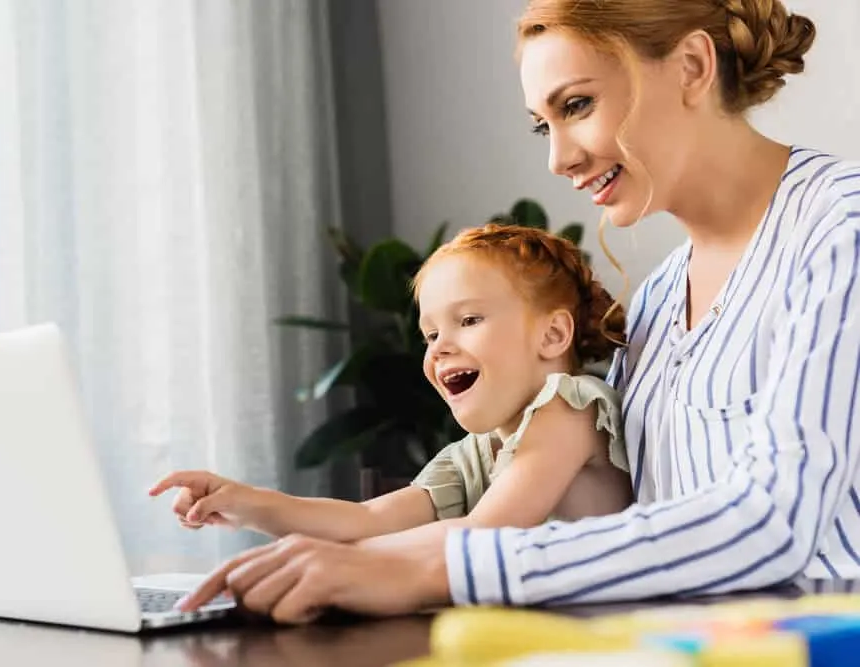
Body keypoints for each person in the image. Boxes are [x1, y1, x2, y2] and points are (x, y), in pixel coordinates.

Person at [174, 0, 860, 623]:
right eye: (543, 126)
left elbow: (769, 523)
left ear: (689, 66)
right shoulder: (655, 301)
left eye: (578, 105)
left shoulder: (839, 232)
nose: (559, 158)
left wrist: (427, 566)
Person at [150, 224, 633, 549]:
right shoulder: (479, 453)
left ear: (552, 335)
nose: (440, 346)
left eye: (467, 319)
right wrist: (249, 504)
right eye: (430, 334)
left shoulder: (569, 410)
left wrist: (347, 565)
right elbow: (370, 522)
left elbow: (485, 536)